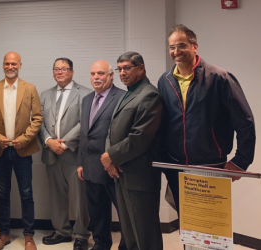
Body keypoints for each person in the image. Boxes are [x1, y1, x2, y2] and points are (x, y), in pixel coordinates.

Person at [157, 24, 256, 214]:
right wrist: (162, 155)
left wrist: (240, 161)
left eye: (182, 46)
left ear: (195, 46)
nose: (176, 51)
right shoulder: (165, 80)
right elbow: (163, 123)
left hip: (210, 166)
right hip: (175, 164)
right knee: (187, 225)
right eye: (172, 47)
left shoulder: (220, 78)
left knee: (210, 226)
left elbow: (245, 122)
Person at [101, 52, 163, 250]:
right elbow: (113, 131)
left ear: (141, 68)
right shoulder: (128, 93)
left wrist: (110, 155)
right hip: (122, 172)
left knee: (145, 234)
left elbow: (140, 138)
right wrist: (110, 160)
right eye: (119, 69)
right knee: (129, 232)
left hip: (140, 175)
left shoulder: (149, 95)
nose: (122, 73)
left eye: (127, 68)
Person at [0, 52, 43, 250]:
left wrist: (24, 140)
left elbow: (37, 119)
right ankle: (4, 233)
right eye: (7, 63)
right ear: (3, 65)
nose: (11, 66)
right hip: (1, 150)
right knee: (2, 194)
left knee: (26, 194)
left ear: (20, 65)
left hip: (22, 151)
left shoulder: (30, 88)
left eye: (14, 63)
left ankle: (29, 236)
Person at [38, 58, 90, 250]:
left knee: (79, 198)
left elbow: (85, 122)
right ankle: (61, 231)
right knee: (56, 196)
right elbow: (38, 122)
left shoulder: (85, 94)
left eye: (64, 69)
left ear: (72, 72)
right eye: (56, 69)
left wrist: (65, 143)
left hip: (74, 154)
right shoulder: (44, 95)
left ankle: (82, 235)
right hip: (51, 153)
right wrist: (48, 141)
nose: (60, 72)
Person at [77, 60, 127, 250]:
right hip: (91, 167)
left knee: (124, 212)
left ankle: (126, 245)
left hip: (113, 167)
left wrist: (115, 159)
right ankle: (101, 243)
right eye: (93, 74)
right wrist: (81, 162)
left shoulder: (122, 97)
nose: (96, 77)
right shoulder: (87, 99)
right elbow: (85, 133)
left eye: (100, 73)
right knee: (97, 211)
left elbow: (122, 133)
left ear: (111, 75)